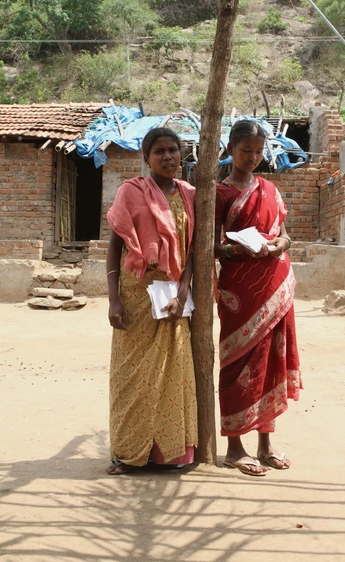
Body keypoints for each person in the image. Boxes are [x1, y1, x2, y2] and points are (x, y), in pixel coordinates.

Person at [105, 127, 198, 475]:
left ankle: (170, 455)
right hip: (135, 295)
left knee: (172, 374)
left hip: (173, 297)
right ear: (146, 158)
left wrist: (183, 293)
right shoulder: (130, 192)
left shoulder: (190, 195)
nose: (168, 156)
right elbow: (115, 247)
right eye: (159, 151)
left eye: (173, 150)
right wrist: (114, 300)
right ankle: (128, 453)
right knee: (132, 377)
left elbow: (193, 253)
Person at [214, 119, 302, 477]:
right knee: (238, 363)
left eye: (258, 151)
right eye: (245, 150)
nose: (252, 157)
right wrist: (234, 251)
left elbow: (282, 232)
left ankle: (265, 444)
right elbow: (210, 244)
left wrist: (279, 244)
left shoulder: (269, 188)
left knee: (272, 362)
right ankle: (236, 447)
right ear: (231, 149)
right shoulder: (220, 193)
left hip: (275, 284)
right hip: (240, 289)